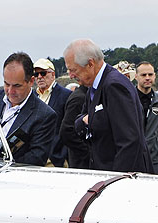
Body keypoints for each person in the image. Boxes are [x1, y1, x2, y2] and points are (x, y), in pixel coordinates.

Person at [63, 39, 150, 173]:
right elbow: (79, 122)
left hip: (122, 175)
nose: (71, 75)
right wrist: (85, 121)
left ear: (90, 64)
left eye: (73, 70)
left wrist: (115, 179)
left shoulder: (114, 86)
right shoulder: (94, 87)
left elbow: (129, 141)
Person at [0, 52, 58, 167]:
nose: (10, 91)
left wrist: (0, 163)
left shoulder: (45, 115)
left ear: (31, 81)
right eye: (6, 84)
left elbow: (36, 159)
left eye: (17, 86)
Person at [134, 62, 158, 175]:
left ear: (154, 76)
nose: (147, 78)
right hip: (132, 157)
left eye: (150, 75)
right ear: (136, 77)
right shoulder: (128, 100)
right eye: (143, 75)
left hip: (154, 159)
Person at [34, 58, 71, 166]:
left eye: (43, 73)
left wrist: (63, 154)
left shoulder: (66, 95)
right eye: (36, 74)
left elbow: (69, 129)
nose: (39, 77)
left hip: (56, 158)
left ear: (53, 74)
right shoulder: (32, 97)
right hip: (36, 158)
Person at [59, 83, 90, 169]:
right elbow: (66, 131)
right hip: (82, 163)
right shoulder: (79, 98)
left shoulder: (83, 96)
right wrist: (89, 152)